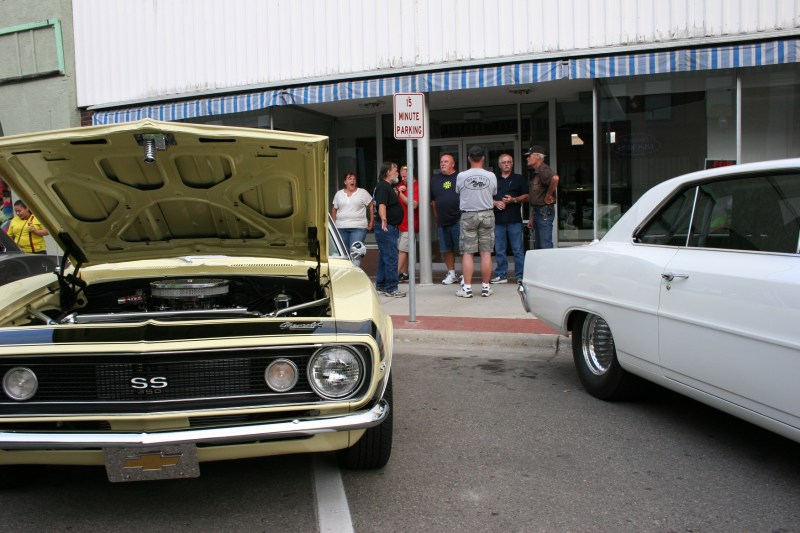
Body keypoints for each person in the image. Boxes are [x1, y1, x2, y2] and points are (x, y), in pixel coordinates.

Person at [455, 146, 497, 298]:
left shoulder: (461, 176)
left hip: (468, 215)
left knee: (468, 252)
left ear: (469, 158)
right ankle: (485, 287)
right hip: (487, 214)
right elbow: (494, 192)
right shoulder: (491, 175)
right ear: (483, 158)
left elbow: (458, 191)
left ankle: (467, 288)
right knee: (486, 252)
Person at [491, 154, 529, 283]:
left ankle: (520, 276)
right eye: (504, 162)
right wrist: (496, 203)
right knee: (499, 250)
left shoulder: (519, 179)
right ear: (499, 165)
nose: (507, 164)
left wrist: (514, 199)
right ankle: (501, 275)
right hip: (498, 220)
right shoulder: (494, 180)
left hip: (514, 220)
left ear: (512, 164)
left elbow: (526, 196)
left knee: (518, 250)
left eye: (509, 162)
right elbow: (486, 197)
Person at [373, 162, 406, 298]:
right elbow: (381, 205)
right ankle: (391, 288)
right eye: (395, 170)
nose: (397, 173)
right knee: (391, 258)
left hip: (389, 227)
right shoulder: (383, 186)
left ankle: (381, 285)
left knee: (384, 257)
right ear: (388, 172)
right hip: (386, 227)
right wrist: (384, 219)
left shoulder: (387, 187)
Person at [430, 154, 461, 285]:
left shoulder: (460, 177)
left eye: (446, 161)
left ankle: (466, 275)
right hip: (442, 221)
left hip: (459, 219)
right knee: (446, 249)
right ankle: (451, 273)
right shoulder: (435, 179)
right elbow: (433, 201)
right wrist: (437, 219)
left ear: (453, 164)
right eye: (441, 161)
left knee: (463, 249)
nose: (443, 164)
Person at [331, 172, 374, 267]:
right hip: (341, 227)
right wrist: (333, 224)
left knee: (356, 252)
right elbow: (334, 209)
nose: (352, 181)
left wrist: (371, 221)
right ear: (345, 182)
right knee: (343, 253)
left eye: (354, 179)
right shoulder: (339, 194)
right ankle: (346, 271)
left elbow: (371, 205)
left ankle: (354, 271)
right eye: (350, 179)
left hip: (358, 227)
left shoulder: (362, 192)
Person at [525, 145, 560, 249]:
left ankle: (549, 261)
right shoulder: (537, 172)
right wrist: (532, 217)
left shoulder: (543, 169)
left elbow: (555, 178)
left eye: (529, 155)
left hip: (543, 212)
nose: (527, 158)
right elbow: (536, 197)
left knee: (545, 246)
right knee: (540, 246)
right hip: (538, 211)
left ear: (537, 156)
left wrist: (548, 195)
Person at [396, 168, 419, 282]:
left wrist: (399, 193)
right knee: (403, 249)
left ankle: (394, 274)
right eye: (401, 176)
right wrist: (397, 191)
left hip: (410, 224)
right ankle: (404, 273)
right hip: (399, 223)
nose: (402, 179)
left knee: (403, 249)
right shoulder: (400, 185)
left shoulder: (417, 186)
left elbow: (414, 204)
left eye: (404, 176)